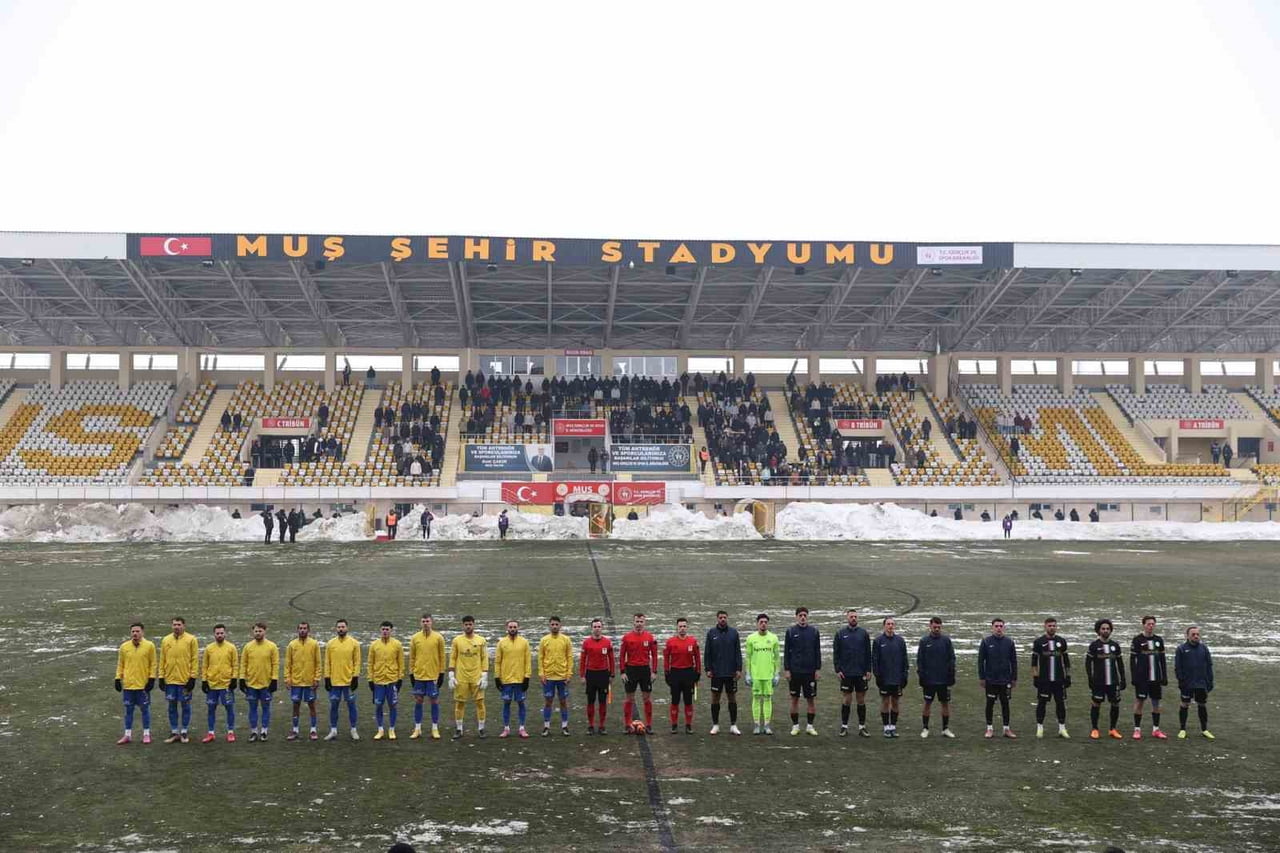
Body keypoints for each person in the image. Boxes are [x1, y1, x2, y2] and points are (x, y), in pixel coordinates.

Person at [114, 622, 157, 745]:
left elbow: (153, 664)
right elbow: (120, 664)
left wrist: (152, 679)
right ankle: (127, 735)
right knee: (128, 711)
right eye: (133, 631)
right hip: (128, 685)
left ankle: (146, 734)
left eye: (137, 631)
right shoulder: (124, 647)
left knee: (145, 710)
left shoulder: (149, 646)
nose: (135, 634)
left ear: (142, 632)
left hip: (142, 685)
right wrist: (117, 678)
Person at [833, 608, 872, 737]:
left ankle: (862, 727)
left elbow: (868, 653)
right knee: (847, 699)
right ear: (847, 618)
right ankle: (844, 726)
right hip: (846, 673)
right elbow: (836, 654)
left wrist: (868, 670)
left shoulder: (863, 633)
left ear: (858, 618)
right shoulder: (840, 633)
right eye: (851, 616)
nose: (853, 618)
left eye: (855, 616)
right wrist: (838, 670)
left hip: (860, 672)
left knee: (861, 699)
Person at [449, 615, 489, 740]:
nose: (468, 626)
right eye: (466, 624)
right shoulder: (457, 640)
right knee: (460, 703)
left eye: (470, 624)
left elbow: (484, 658)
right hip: (461, 677)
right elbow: (453, 657)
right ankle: (459, 729)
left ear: (474, 625)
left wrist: (485, 675)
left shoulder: (481, 640)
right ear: (463, 625)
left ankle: (481, 728)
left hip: (476, 676)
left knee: (480, 702)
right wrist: (451, 674)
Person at [1086, 618, 1126, 741]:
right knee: (1096, 704)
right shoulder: (1094, 646)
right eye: (1103, 629)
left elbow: (1120, 663)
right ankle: (1095, 729)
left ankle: (1113, 729)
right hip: (1099, 681)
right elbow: (1088, 663)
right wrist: (1090, 678)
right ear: (1098, 630)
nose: (1105, 630)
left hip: (1113, 681)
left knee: (1115, 704)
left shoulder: (1115, 646)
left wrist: (1123, 678)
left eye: (1108, 629)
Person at [159, 617, 198, 744]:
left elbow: (194, 659)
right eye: (174, 624)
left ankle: (184, 731)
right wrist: (161, 677)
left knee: (185, 705)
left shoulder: (191, 639)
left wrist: (192, 677)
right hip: (170, 680)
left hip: (184, 680)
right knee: (171, 706)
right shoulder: (166, 640)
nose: (176, 627)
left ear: (184, 626)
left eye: (179, 624)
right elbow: (162, 659)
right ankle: (174, 731)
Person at [916, 616, 957, 739]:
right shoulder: (924, 641)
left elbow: (952, 658)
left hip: (943, 680)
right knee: (927, 703)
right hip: (929, 680)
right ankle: (925, 728)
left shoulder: (946, 641)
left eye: (939, 627)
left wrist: (951, 674)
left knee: (945, 703)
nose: (937, 629)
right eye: (935, 627)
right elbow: (920, 660)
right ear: (930, 626)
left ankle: (945, 728)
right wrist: (922, 676)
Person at [704, 610, 743, 736]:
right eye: (720, 617)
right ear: (717, 619)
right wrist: (708, 669)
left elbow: (738, 652)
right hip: (716, 673)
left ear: (727, 618)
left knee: (732, 697)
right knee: (715, 698)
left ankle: (733, 725)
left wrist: (738, 669)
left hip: (731, 672)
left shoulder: (733, 633)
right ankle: (715, 725)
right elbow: (707, 653)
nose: (722, 619)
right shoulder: (711, 633)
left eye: (724, 617)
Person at [783, 606, 821, 736]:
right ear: (796, 617)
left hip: (810, 672)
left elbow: (817, 651)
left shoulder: (814, 632)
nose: (803, 617)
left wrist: (817, 669)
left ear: (808, 616)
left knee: (810, 699)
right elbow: (787, 652)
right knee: (794, 699)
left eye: (805, 615)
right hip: (795, 672)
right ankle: (795, 726)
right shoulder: (790, 631)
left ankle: (810, 726)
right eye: (800, 615)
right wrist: (787, 669)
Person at [1031, 617, 1072, 739]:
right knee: (1042, 703)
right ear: (1045, 626)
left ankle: (1062, 728)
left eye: (1054, 625)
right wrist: (1035, 677)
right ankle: (1040, 728)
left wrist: (1068, 676)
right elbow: (1034, 662)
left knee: (1060, 703)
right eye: (1049, 626)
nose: (1052, 628)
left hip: (1059, 680)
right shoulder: (1039, 642)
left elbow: (1066, 661)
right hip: (1044, 680)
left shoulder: (1061, 641)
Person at [1130, 615, 1169, 740]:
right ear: (1143, 625)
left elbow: (1162, 660)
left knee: (1156, 703)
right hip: (1142, 678)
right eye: (1148, 624)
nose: (1151, 626)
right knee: (1139, 702)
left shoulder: (1159, 640)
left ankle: (1156, 729)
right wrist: (1134, 676)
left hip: (1156, 678)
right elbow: (1132, 660)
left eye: (1153, 624)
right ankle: (1137, 730)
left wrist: (1164, 676)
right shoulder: (1137, 640)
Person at [978, 618, 1018, 738]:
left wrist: (1014, 677)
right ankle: (989, 728)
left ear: (1003, 627)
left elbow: (1014, 661)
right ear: (992, 627)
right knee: (990, 703)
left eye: (1001, 626)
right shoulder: (986, 642)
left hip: (1005, 680)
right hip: (991, 679)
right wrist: (982, 677)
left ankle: (1006, 729)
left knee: (1005, 704)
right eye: (996, 626)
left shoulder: (1009, 642)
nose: (999, 628)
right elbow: (981, 661)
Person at [239, 621, 279, 742]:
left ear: (265, 631)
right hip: (251, 684)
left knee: (266, 707)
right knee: (252, 708)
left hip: (266, 684)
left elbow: (275, 664)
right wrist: (241, 679)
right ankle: (254, 731)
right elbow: (243, 664)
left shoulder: (272, 646)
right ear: (253, 632)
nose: (258, 633)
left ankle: (264, 731)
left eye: (260, 631)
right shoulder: (248, 646)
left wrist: (274, 680)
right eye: (256, 631)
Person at [323, 618, 361, 741]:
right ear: (336, 629)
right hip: (334, 681)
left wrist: (355, 677)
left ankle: (353, 729)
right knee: (334, 706)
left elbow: (357, 662)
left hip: (348, 681)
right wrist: (327, 678)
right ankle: (333, 730)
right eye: (339, 627)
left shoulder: (354, 643)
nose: (341, 629)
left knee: (351, 706)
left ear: (347, 628)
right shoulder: (330, 644)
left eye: (343, 627)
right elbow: (327, 662)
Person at [409, 613, 446, 740]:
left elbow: (442, 657)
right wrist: (411, 673)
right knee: (418, 700)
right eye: (423, 621)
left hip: (433, 676)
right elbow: (412, 657)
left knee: (434, 701)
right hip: (419, 675)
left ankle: (434, 728)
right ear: (420, 623)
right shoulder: (415, 638)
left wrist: (441, 673)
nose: (425, 623)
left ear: (432, 622)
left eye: (427, 621)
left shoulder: (438, 638)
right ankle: (417, 728)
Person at [620, 612, 658, 733]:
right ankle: (627, 725)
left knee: (646, 698)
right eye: (637, 621)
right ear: (633, 622)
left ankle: (649, 725)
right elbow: (621, 656)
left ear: (644, 623)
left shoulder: (649, 637)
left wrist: (654, 671)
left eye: (641, 622)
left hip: (645, 671)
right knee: (629, 698)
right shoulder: (626, 637)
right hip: (631, 670)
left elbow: (655, 655)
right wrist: (622, 672)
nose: (639, 624)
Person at [200, 623, 238, 743]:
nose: (220, 635)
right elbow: (205, 665)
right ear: (214, 634)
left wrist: (234, 679)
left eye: (222, 633)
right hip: (212, 685)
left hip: (226, 685)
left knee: (229, 708)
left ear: (225, 633)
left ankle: (230, 732)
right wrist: (204, 681)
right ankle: (211, 733)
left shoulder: (231, 648)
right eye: (217, 633)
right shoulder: (209, 648)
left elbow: (235, 664)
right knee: (211, 709)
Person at [1175, 625, 1215, 740]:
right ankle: (1182, 729)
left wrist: (1210, 681)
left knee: (1202, 705)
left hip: (1201, 683)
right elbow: (1178, 667)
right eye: (1193, 634)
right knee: (1184, 704)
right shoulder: (1181, 649)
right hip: (1187, 684)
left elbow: (1209, 665)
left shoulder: (1204, 648)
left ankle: (1204, 729)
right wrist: (1181, 681)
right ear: (1187, 636)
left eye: (1197, 634)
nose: (1196, 636)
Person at [663, 618, 701, 734]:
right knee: (675, 700)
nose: (682, 628)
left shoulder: (692, 642)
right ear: (677, 627)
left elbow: (697, 658)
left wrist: (697, 672)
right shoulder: (670, 642)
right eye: (680, 626)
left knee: (688, 701)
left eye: (684, 626)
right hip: (675, 673)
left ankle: (688, 725)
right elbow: (666, 658)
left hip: (688, 673)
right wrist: (666, 673)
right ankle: (674, 725)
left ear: (687, 627)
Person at [495, 620, 532, 739]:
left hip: (520, 679)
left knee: (521, 703)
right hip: (506, 679)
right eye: (510, 627)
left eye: (514, 627)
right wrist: (497, 677)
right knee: (506, 703)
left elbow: (528, 661)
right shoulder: (501, 643)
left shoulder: (524, 642)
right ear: (507, 628)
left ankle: (522, 728)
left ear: (518, 628)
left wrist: (527, 677)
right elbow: (497, 661)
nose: (512, 629)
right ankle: (506, 728)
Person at [872, 617, 908, 738]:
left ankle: (893, 726)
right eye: (888, 624)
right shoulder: (878, 641)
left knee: (896, 702)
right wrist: (877, 675)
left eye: (892, 624)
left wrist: (904, 675)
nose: (890, 626)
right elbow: (875, 660)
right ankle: (886, 727)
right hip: (885, 678)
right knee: (885, 701)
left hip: (897, 678)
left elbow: (905, 659)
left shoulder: (900, 641)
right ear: (884, 626)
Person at [285, 621, 321, 741]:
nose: (302, 630)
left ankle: (313, 730)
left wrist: (316, 678)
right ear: (297, 630)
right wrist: (287, 679)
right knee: (295, 705)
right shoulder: (292, 645)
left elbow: (318, 663)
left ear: (308, 630)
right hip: (296, 682)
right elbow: (288, 664)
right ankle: (295, 729)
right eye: (300, 628)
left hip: (310, 682)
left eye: (305, 628)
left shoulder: (314, 644)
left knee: (312, 705)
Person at [745, 613, 780, 735]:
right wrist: (748, 673)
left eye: (765, 622)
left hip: (769, 675)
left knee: (767, 698)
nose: (763, 624)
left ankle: (766, 725)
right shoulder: (751, 638)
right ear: (757, 623)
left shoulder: (774, 638)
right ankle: (756, 725)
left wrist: (776, 673)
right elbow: (748, 657)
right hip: (756, 675)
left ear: (768, 623)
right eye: (761, 622)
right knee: (756, 698)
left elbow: (777, 658)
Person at [367, 621, 403, 740]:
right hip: (378, 680)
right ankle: (380, 729)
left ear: (391, 631)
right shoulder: (374, 645)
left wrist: (400, 678)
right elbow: (370, 663)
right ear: (380, 630)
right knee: (378, 705)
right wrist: (370, 679)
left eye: (387, 629)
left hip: (392, 680)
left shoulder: (397, 644)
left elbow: (401, 663)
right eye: (383, 629)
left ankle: (391, 729)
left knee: (393, 705)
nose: (385, 631)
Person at [538, 616, 573, 737]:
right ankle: (546, 726)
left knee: (563, 701)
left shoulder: (566, 640)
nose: (554, 626)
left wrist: (569, 674)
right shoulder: (544, 640)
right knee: (548, 701)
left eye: (556, 624)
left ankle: (564, 726)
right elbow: (540, 658)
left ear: (560, 625)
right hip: (548, 677)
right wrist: (541, 673)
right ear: (549, 625)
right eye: (552, 624)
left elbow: (569, 657)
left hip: (562, 677)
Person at [579, 618, 615, 735]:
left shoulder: (607, 642)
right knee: (591, 700)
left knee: (602, 701)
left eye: (599, 627)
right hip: (591, 674)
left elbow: (612, 659)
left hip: (603, 674)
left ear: (602, 628)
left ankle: (602, 726)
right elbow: (583, 660)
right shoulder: (586, 643)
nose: (597, 629)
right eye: (595, 627)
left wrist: (612, 674)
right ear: (591, 628)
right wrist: (582, 675)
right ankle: (590, 725)